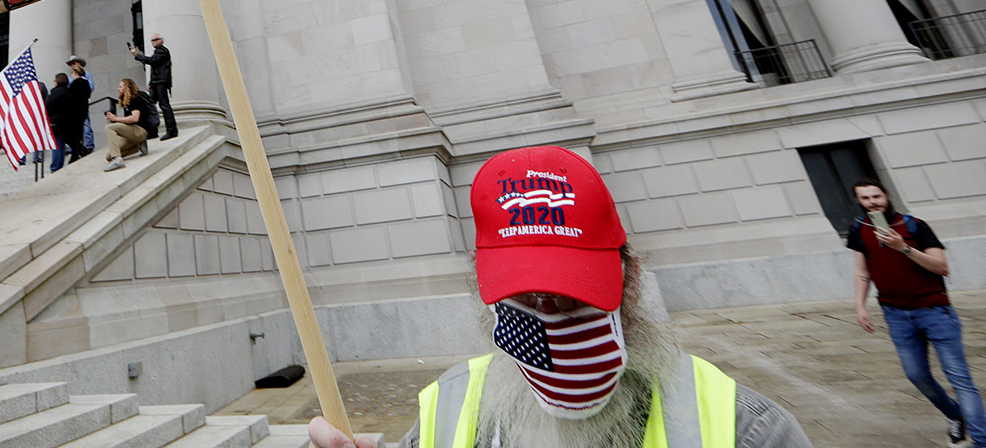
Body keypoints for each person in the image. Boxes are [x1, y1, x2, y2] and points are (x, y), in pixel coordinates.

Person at [309, 145, 812, 448]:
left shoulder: (747, 431)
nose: (548, 316)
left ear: (630, 282)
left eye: (573, 295)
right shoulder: (450, 405)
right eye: (524, 296)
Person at [849, 178, 983, 447]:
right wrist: (860, 305)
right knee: (916, 375)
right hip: (895, 314)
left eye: (876, 196)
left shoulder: (915, 225)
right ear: (858, 201)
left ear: (886, 195)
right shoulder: (858, 228)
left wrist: (905, 248)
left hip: (935, 311)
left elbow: (941, 267)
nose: (872, 202)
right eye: (865, 198)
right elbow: (863, 270)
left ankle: (981, 441)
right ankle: (955, 415)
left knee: (960, 379)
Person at [128, 32, 177, 139]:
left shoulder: (162, 51)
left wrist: (136, 55)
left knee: (164, 105)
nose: (153, 42)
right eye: (152, 40)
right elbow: (155, 69)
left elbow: (152, 61)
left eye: (155, 39)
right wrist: (151, 83)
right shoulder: (158, 51)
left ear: (161, 40)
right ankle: (152, 131)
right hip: (156, 82)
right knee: (149, 105)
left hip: (161, 82)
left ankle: (172, 130)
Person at [102, 78, 155, 171]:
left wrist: (115, 119)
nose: (118, 89)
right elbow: (129, 121)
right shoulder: (128, 101)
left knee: (109, 127)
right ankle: (138, 146)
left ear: (126, 87)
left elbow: (135, 118)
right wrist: (115, 119)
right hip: (134, 132)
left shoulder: (135, 98)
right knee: (109, 157)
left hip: (140, 131)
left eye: (120, 86)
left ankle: (117, 160)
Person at [45, 72, 85, 171]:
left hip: (56, 123)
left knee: (57, 145)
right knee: (62, 145)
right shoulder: (69, 92)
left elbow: (47, 107)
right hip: (67, 122)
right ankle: (60, 165)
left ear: (57, 81)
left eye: (55, 80)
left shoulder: (55, 92)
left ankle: (55, 167)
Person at [67, 56, 95, 154]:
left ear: (79, 63)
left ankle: (89, 145)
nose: (71, 65)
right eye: (70, 64)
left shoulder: (87, 75)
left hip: (81, 103)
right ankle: (74, 148)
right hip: (73, 105)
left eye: (73, 63)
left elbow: (91, 87)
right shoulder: (70, 77)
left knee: (86, 123)